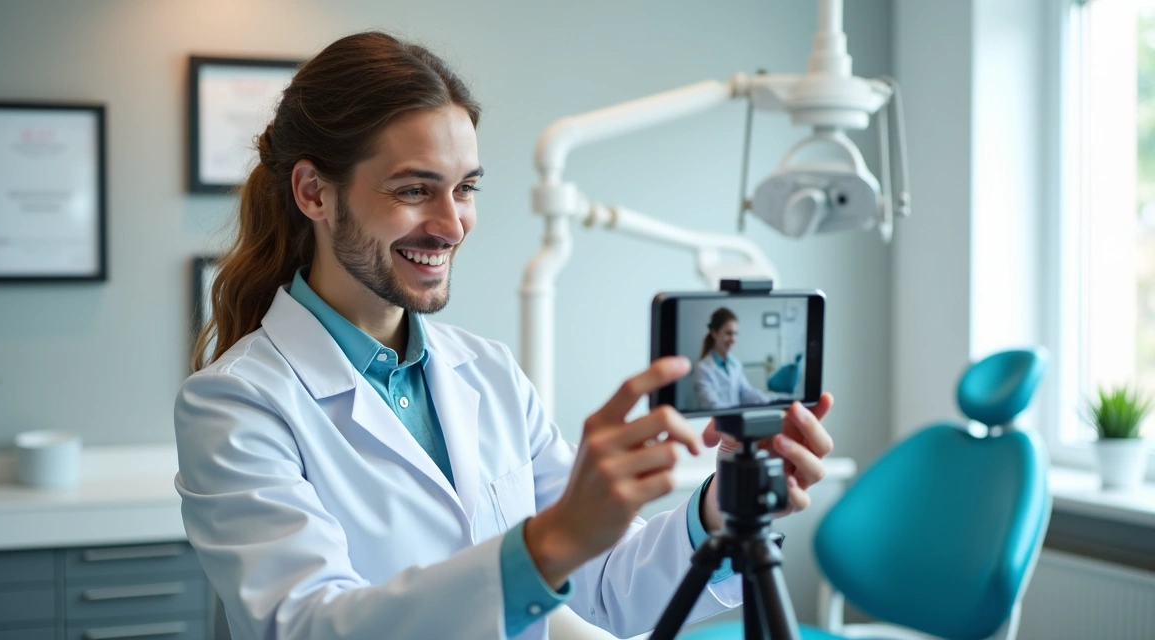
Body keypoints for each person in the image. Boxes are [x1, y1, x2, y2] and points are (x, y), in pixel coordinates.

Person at [175, 32, 835, 640]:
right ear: (314, 192)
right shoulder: (237, 405)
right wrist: (547, 544)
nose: (452, 224)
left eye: (465, 189)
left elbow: (603, 585)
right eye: (414, 189)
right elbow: (308, 627)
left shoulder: (486, 373)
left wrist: (722, 512)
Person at [693, 308, 774, 410]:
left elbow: (745, 391)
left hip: (735, 418)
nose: (733, 339)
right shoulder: (703, 368)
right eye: (728, 333)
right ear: (714, 333)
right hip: (715, 423)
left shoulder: (735, 364)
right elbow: (711, 405)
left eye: (735, 333)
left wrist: (769, 401)